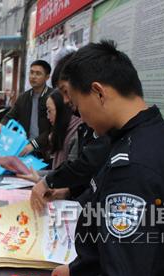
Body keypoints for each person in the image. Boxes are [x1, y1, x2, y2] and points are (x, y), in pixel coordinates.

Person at [15, 40, 164, 276]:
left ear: (98, 92)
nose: (77, 115)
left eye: (76, 104)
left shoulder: (135, 167)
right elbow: (123, 247)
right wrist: (78, 269)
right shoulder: (144, 136)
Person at [29, 52, 111, 209]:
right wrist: (68, 192)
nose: (67, 100)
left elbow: (84, 167)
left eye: (66, 92)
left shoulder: (90, 131)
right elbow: (93, 183)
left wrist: (47, 182)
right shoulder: (87, 128)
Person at [0, 60, 53, 157]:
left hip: (46, 149)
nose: (33, 76)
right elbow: (10, 116)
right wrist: (1, 124)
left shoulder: (52, 97)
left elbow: (53, 128)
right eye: (31, 72)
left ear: (47, 77)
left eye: (38, 73)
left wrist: (34, 144)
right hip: (25, 146)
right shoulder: (23, 97)